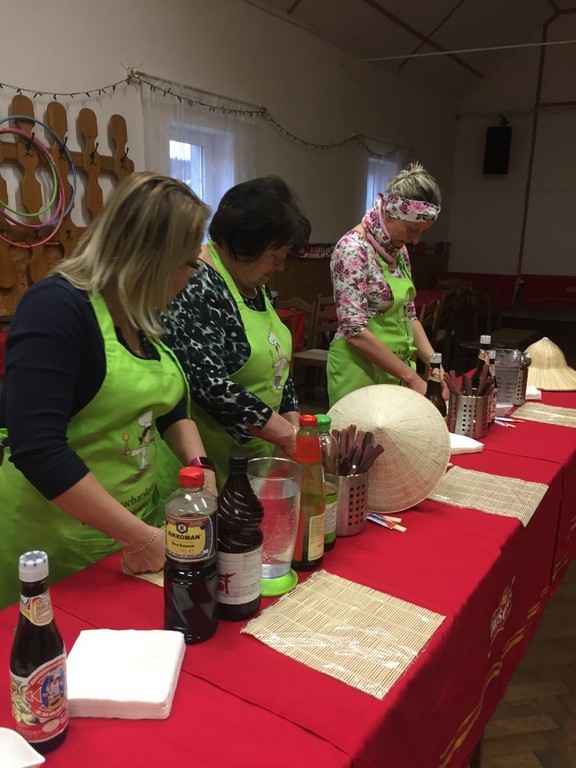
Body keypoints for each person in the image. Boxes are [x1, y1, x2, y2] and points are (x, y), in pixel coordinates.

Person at [0, 172, 213, 609]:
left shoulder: (140, 314)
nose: (192, 278)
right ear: (152, 259)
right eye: (190, 265)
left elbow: (170, 408)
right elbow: (38, 449)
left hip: (132, 531)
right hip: (58, 541)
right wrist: (139, 538)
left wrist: (200, 467)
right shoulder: (56, 309)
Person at [162, 175, 311, 489]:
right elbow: (208, 383)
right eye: (276, 256)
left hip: (253, 457)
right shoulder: (198, 282)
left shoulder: (253, 283)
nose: (280, 267)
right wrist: (280, 429)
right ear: (245, 245)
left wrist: (291, 412)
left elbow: (277, 361)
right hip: (205, 466)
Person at [327, 162, 445, 407]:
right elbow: (354, 330)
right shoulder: (353, 249)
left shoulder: (397, 250)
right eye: (412, 229)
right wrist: (412, 377)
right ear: (390, 212)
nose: (415, 240)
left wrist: (436, 366)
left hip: (396, 370)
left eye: (422, 232)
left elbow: (409, 315)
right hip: (359, 372)